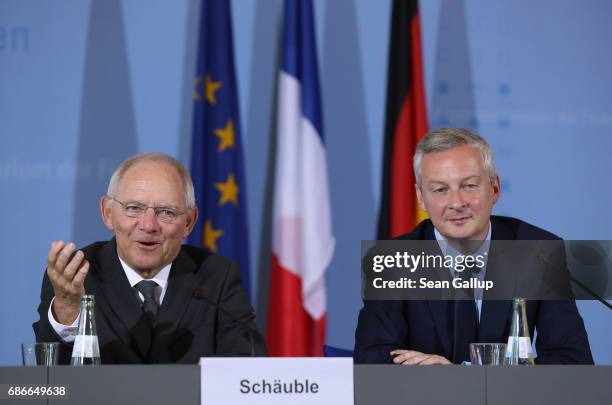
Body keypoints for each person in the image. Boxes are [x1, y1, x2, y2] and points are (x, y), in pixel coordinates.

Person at [355, 128, 593, 365]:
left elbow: (573, 361)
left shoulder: (540, 252)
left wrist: (466, 379)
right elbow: (372, 361)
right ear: (421, 198)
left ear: (495, 189)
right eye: (440, 189)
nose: (457, 203)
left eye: (469, 186)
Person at [34, 152, 266, 364]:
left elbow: (244, 370)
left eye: (167, 212)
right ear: (107, 213)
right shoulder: (75, 275)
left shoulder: (216, 277)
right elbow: (52, 378)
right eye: (134, 208)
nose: (148, 225)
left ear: (189, 222)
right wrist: (67, 309)